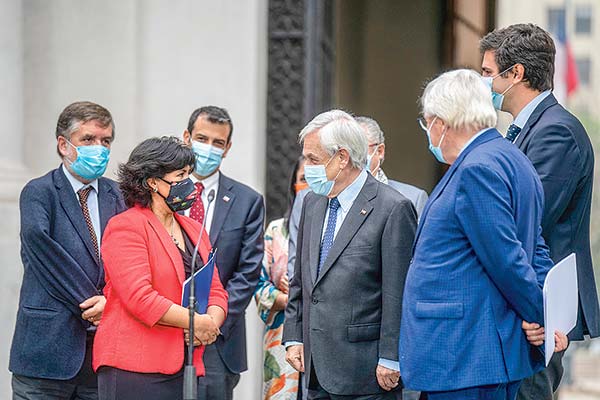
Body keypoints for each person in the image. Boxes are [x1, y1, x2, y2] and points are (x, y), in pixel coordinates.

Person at [399, 69, 568, 400]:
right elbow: (535, 249)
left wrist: (542, 318)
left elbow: (507, 259)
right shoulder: (513, 159)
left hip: (465, 354)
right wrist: (550, 314)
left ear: (443, 122)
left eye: (427, 121)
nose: (428, 130)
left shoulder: (476, 168)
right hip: (478, 352)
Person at [480, 24, 599, 399]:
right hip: (521, 306)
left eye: (487, 73)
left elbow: (526, 220)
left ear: (515, 74)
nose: (482, 83)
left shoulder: (556, 131)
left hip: (538, 308)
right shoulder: (522, 129)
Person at [283, 109, 417, 399]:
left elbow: (398, 291)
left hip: (366, 370)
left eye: (314, 159)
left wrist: (391, 357)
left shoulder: (392, 208)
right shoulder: (311, 202)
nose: (306, 168)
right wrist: (294, 335)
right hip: (315, 367)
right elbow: (301, 279)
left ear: (342, 158)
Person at [92, 136, 228, 399]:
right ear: (152, 182)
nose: (189, 182)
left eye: (189, 173)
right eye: (180, 175)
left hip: (187, 364)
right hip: (135, 367)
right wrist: (195, 322)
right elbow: (139, 297)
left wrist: (211, 323)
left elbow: (216, 290)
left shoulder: (194, 229)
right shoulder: (126, 226)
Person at [9, 101, 126, 400]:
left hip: (102, 356)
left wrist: (111, 301)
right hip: (45, 356)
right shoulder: (39, 192)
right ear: (64, 144)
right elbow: (45, 255)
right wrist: (95, 304)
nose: (98, 148)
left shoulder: (120, 196)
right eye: (88, 139)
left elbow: (130, 259)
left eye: (106, 141)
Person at [182, 105, 265, 400]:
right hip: (164, 330)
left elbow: (248, 272)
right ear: (186, 138)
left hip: (219, 340)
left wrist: (213, 323)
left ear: (227, 148)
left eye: (218, 143)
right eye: (202, 139)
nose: (209, 148)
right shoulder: (164, 191)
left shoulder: (248, 201)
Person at [255, 156, 305, 400]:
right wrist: (287, 298)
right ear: (293, 186)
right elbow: (257, 284)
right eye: (303, 179)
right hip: (281, 339)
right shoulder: (276, 230)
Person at [355, 116, 428, 219]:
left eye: (358, 149)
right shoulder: (333, 198)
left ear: (380, 151)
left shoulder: (412, 198)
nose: (352, 157)